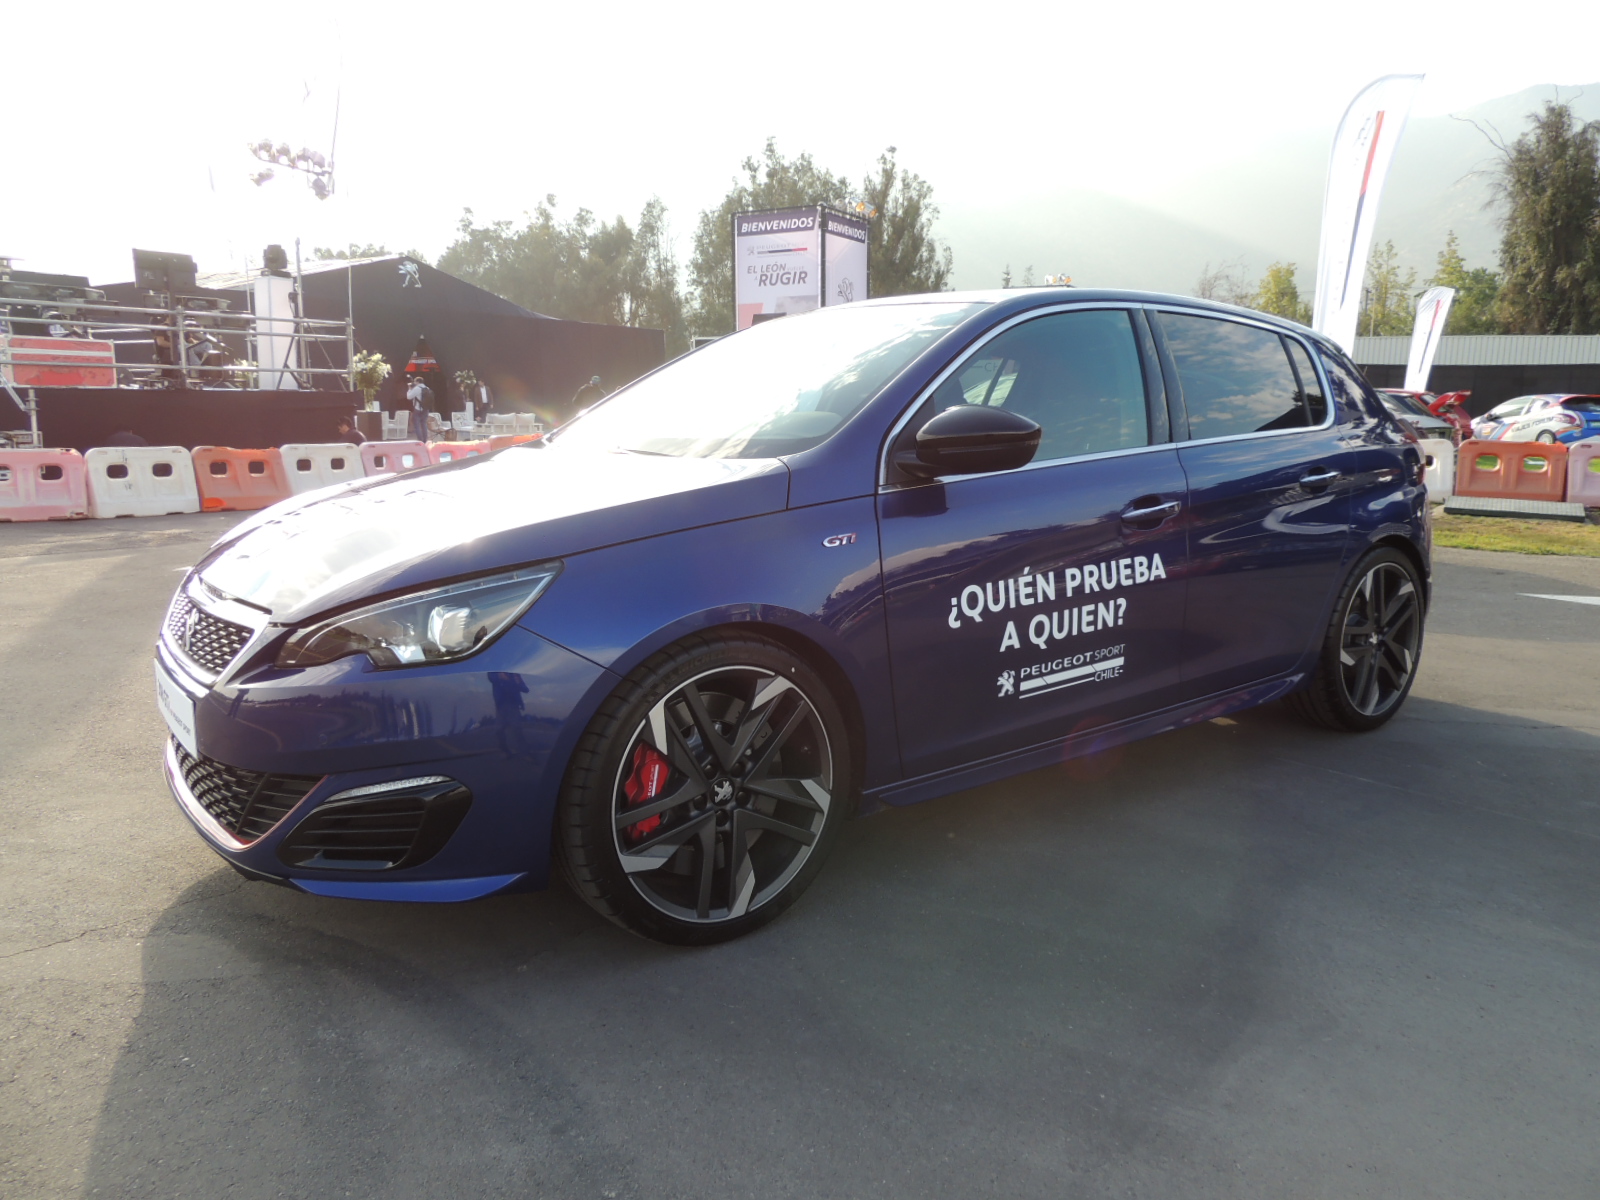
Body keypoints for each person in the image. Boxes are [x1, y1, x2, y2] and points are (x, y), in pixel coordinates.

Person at [406, 377, 434, 443]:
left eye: (415, 382)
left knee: (417, 425)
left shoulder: (417, 388)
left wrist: (409, 389)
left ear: (417, 382)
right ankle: (425, 440)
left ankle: (420, 440)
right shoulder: (427, 388)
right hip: (426, 409)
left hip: (418, 409)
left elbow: (409, 397)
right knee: (424, 424)